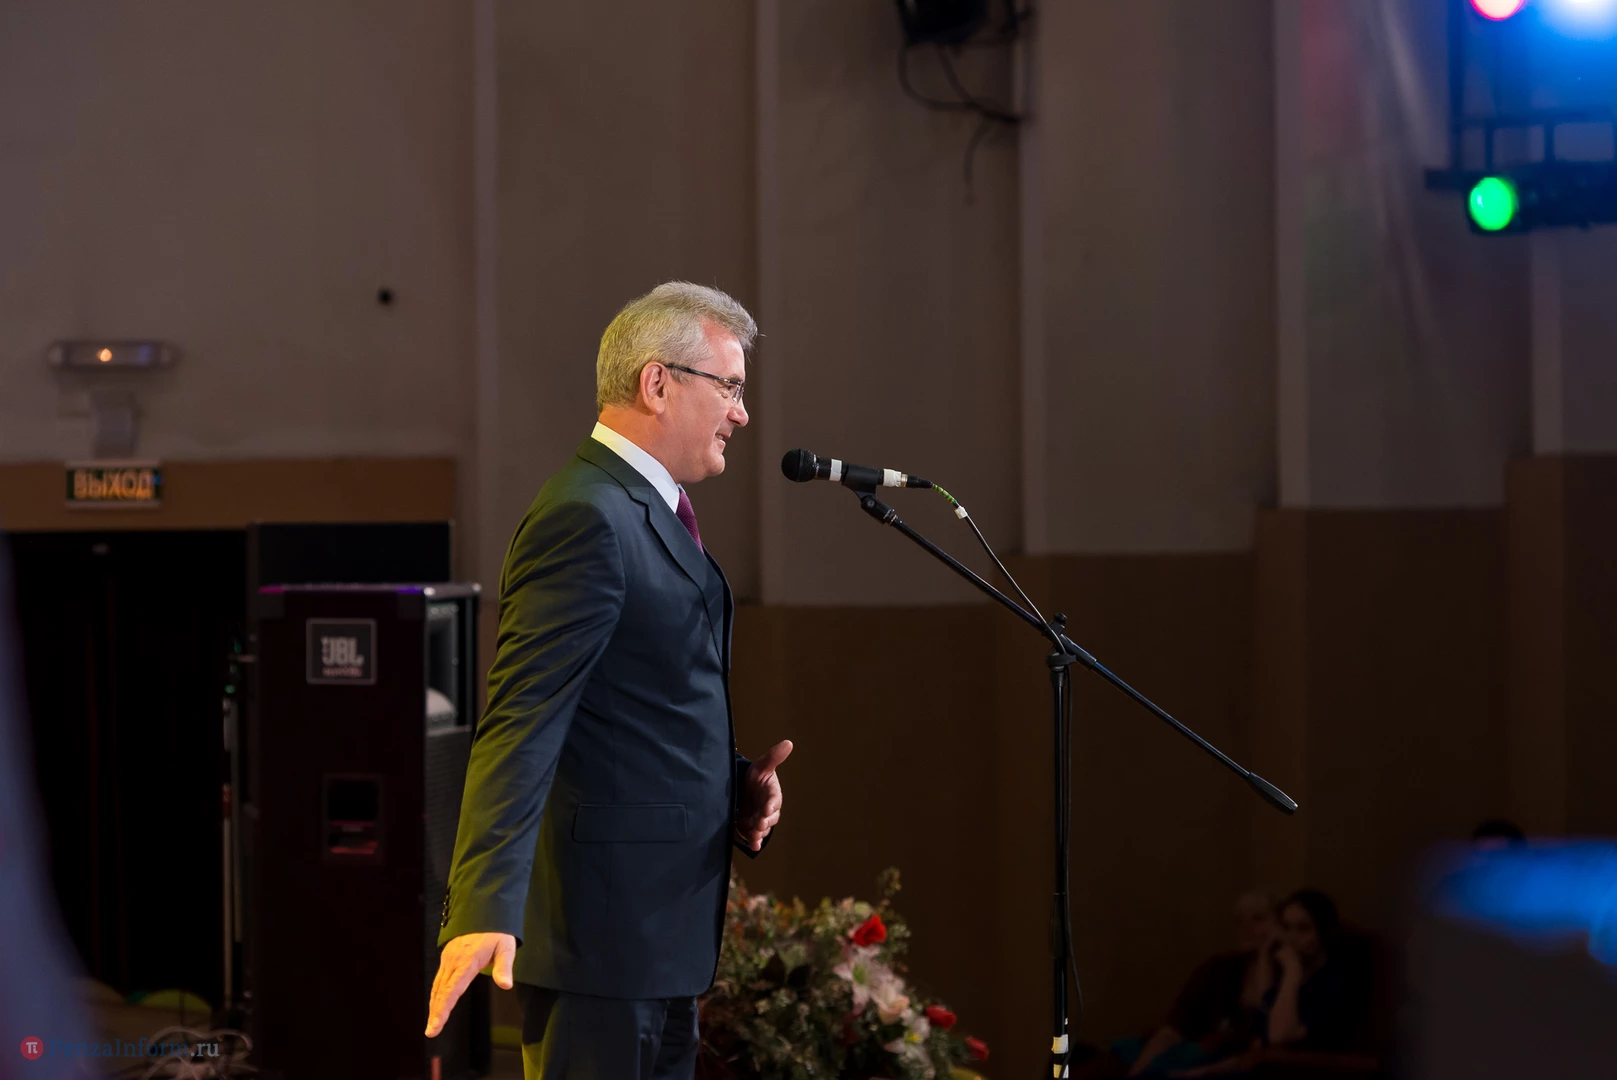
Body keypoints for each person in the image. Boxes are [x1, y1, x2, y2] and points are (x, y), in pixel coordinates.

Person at [424, 282, 792, 1079]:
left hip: (657, 936)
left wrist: (732, 787)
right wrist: (483, 905)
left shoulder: (642, 510)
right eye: (729, 387)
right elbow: (521, 720)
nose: (741, 414)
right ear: (657, 383)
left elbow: (630, 711)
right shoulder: (586, 515)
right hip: (601, 941)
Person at [1093, 892, 1277, 1078]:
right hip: (1184, 1057)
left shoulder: (1285, 975)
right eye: (1239, 920)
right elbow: (1173, 1029)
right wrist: (1137, 1071)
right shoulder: (1217, 968)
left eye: (1258, 918)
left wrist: (1266, 955)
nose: (1245, 926)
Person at [1262, 889, 1371, 1053]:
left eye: (1303, 929)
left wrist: (1292, 971)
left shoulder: (1337, 983)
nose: (1290, 937)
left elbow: (1280, 1036)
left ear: (1324, 933)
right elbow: (1260, 1018)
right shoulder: (1289, 979)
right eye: (1286, 927)